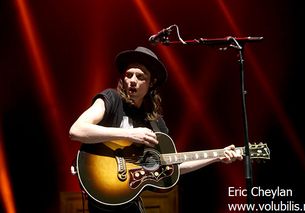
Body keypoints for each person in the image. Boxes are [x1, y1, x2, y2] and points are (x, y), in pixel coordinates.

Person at [69, 46, 243, 213]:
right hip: (102, 191)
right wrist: (130, 134)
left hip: (130, 200)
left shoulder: (154, 121)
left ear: (151, 82)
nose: (132, 81)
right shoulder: (111, 99)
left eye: (140, 76)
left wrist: (218, 156)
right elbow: (76, 130)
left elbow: (173, 165)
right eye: (129, 75)